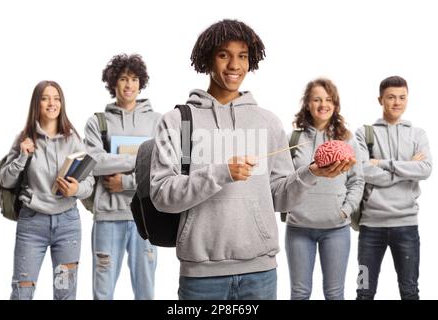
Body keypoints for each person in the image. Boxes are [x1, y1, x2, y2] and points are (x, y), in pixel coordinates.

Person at [150, 19, 354, 300]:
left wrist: (310, 173)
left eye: (242, 56)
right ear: (207, 58)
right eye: (224, 55)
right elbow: (162, 195)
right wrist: (221, 173)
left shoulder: (268, 122)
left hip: (261, 274)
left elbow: (280, 198)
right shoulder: (175, 122)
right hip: (201, 276)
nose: (235, 65)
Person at [0, 80, 94, 300]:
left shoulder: (73, 139)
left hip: (67, 225)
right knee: (22, 291)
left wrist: (76, 189)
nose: (52, 103)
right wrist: (23, 156)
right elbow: (6, 180)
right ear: (36, 104)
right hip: (32, 225)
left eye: (57, 98)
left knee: (65, 293)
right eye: (45, 98)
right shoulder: (24, 138)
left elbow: (89, 184)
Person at [84, 53, 161, 300]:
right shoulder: (98, 122)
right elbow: (93, 163)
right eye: (124, 79)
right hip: (107, 217)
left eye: (134, 79)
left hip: (146, 218)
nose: (129, 85)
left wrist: (126, 181)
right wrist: (139, 159)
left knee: (146, 291)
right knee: (102, 292)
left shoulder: (157, 122)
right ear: (113, 83)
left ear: (141, 83)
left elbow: (162, 167)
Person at [285, 78, 364, 300]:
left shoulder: (348, 139)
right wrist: (293, 208)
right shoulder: (293, 139)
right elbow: (282, 180)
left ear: (335, 104)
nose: (323, 104)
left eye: (328, 99)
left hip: (336, 228)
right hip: (299, 228)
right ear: (307, 104)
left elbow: (357, 181)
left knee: (334, 293)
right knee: (300, 293)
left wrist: (345, 210)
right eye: (317, 99)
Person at [354, 76, 432, 300]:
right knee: (363, 291)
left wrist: (383, 164)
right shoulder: (364, 133)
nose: (397, 102)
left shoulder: (418, 134)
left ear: (407, 99)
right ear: (380, 100)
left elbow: (425, 169)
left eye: (402, 97)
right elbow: (362, 170)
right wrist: (407, 167)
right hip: (369, 228)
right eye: (391, 97)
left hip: (406, 226)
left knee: (410, 292)